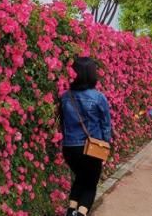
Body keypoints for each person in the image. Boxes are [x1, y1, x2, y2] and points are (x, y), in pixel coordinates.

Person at [59, 57, 113, 216]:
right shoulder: (98, 97)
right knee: (90, 185)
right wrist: (106, 146)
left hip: (69, 149)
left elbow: (62, 122)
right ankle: (81, 214)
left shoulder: (65, 96)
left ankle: (71, 212)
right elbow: (106, 125)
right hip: (91, 149)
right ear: (92, 74)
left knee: (80, 179)